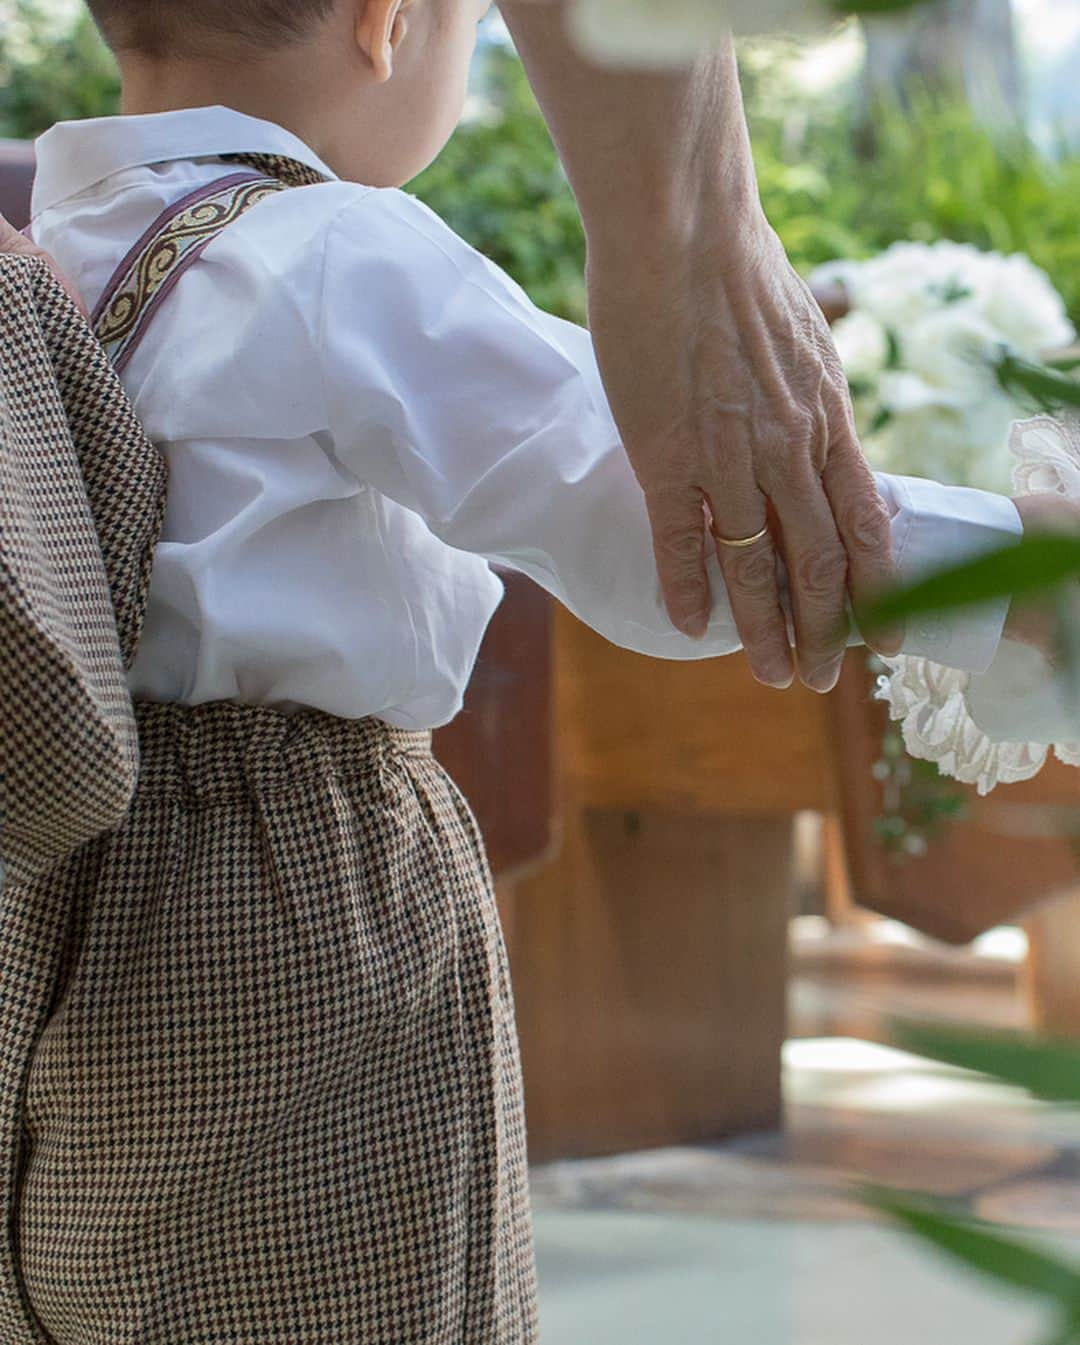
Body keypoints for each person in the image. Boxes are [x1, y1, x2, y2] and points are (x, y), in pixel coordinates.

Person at [0, 1, 1071, 1341]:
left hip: (52, 897)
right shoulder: (336, 253)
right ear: (389, 25)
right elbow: (654, 517)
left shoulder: (54, 248)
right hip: (296, 902)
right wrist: (1013, 586)